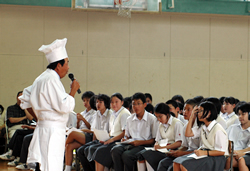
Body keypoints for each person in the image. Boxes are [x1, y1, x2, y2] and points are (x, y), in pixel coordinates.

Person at [18, 38, 80, 171]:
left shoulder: (41, 78)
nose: (68, 67)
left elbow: (25, 98)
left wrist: (39, 118)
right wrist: (73, 91)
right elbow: (64, 106)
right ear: (59, 65)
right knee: (51, 166)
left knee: (42, 165)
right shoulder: (52, 79)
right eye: (67, 63)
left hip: (43, 129)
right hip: (52, 131)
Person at [173, 101, 228, 171]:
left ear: (209, 113)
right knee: (176, 162)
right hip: (205, 154)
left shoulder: (218, 129)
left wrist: (204, 153)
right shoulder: (203, 127)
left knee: (185, 165)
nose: (198, 114)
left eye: (201, 111)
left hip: (215, 158)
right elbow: (188, 134)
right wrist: (192, 116)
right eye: (198, 111)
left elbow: (221, 152)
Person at [111, 92, 158, 171]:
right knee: (115, 150)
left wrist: (139, 142)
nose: (135, 107)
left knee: (126, 155)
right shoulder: (129, 119)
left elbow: (154, 140)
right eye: (133, 104)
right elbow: (127, 136)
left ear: (145, 105)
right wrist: (125, 139)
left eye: (138, 104)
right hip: (132, 143)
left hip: (144, 145)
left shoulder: (152, 119)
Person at [137, 103, 184, 171]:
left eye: (160, 116)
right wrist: (156, 145)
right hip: (163, 149)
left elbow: (179, 143)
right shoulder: (161, 125)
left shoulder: (177, 123)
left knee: (149, 156)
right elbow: (157, 140)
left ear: (167, 114)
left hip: (173, 151)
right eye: (157, 117)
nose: (159, 119)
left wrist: (163, 147)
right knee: (141, 154)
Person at [157, 99, 199, 171]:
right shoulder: (185, 127)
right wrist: (176, 152)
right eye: (184, 109)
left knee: (171, 168)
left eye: (188, 110)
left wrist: (182, 153)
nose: (185, 112)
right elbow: (185, 146)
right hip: (186, 153)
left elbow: (199, 150)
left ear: (195, 111)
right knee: (163, 163)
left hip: (196, 156)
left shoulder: (199, 127)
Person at [93, 93, 131, 171]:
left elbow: (125, 133)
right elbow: (111, 131)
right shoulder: (113, 113)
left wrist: (111, 140)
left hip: (119, 140)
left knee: (99, 151)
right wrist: (106, 138)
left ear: (122, 102)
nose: (114, 104)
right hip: (111, 138)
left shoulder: (124, 114)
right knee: (94, 149)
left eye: (116, 102)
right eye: (112, 102)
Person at [76, 94, 111, 171]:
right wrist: (92, 141)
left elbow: (111, 132)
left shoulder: (110, 114)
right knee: (81, 150)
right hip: (98, 140)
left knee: (91, 149)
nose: (98, 104)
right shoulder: (97, 114)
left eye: (100, 102)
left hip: (108, 141)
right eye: (97, 102)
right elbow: (94, 130)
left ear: (106, 103)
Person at [64, 91, 96, 171]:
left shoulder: (95, 113)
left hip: (89, 136)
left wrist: (83, 119)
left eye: (87, 100)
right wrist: (78, 121)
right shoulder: (82, 113)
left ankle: (62, 147)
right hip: (80, 135)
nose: (85, 102)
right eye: (84, 100)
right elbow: (78, 127)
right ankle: (67, 168)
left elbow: (91, 128)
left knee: (72, 133)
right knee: (69, 146)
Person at [225, 103, 250, 171]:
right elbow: (224, 139)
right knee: (229, 160)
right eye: (239, 114)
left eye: (243, 114)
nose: (240, 117)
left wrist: (238, 152)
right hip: (231, 154)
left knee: (239, 160)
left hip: (245, 154)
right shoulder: (232, 127)